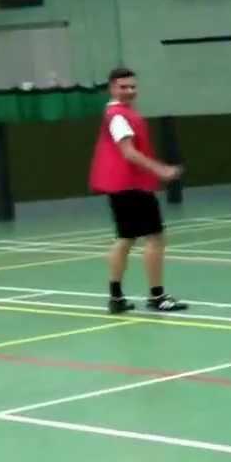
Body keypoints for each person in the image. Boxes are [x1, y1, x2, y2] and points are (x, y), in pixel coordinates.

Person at [88, 67, 188, 315]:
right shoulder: (118, 116)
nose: (130, 91)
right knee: (155, 237)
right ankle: (157, 296)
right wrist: (160, 169)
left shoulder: (120, 113)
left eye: (133, 86)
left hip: (121, 185)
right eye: (123, 87)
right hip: (131, 185)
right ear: (112, 88)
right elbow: (128, 152)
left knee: (125, 238)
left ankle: (116, 297)